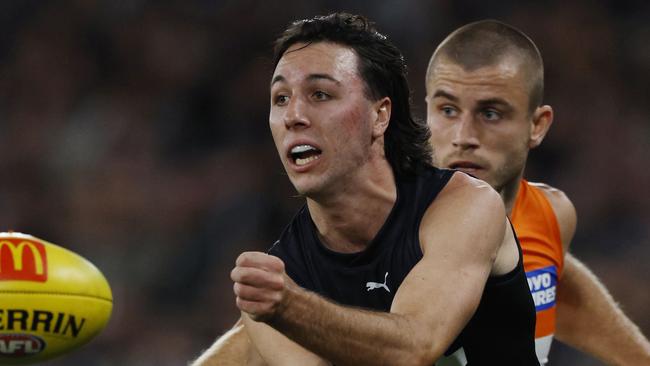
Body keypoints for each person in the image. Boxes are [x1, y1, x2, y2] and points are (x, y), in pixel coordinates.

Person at [192, 12, 539, 365]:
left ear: (380, 115)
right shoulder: (281, 281)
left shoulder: (464, 206)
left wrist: (289, 306)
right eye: (280, 98)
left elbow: (415, 347)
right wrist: (277, 307)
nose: (293, 114)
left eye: (320, 94)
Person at [425, 20, 650, 366]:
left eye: (490, 113)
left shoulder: (551, 213)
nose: (463, 136)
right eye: (448, 110)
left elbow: (560, 292)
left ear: (537, 126)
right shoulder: (383, 227)